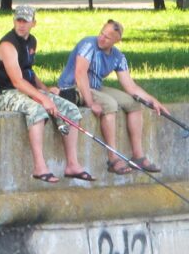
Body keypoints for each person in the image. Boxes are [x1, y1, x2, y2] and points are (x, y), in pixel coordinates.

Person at [0, 5, 94, 183]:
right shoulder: (8, 45)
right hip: (5, 93)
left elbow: (28, 71)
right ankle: (39, 167)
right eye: (18, 20)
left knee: (70, 109)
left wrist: (45, 90)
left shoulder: (32, 42)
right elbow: (17, 81)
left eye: (25, 21)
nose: (21, 24)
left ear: (33, 23)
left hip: (27, 89)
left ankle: (72, 165)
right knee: (38, 111)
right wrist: (43, 98)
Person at [57, 19, 168, 175]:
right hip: (75, 86)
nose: (102, 38)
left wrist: (153, 101)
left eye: (108, 37)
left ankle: (138, 156)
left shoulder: (118, 56)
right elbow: (80, 74)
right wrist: (90, 103)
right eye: (102, 33)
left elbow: (130, 86)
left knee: (133, 103)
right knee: (109, 104)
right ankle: (113, 158)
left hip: (95, 86)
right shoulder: (88, 45)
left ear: (117, 40)